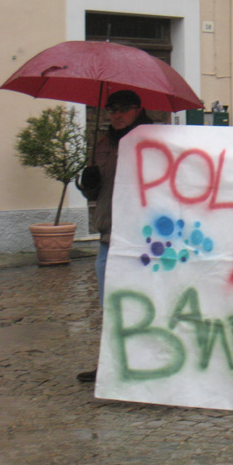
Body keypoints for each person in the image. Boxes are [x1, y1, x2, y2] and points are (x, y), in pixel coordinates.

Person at [75, 90, 153, 383]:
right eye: (111, 110)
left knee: (145, 302)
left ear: (138, 109)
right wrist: (89, 184)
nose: (116, 115)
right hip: (109, 237)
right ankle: (111, 365)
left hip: (143, 239)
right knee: (111, 305)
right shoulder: (104, 144)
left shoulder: (153, 141)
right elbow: (97, 193)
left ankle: (149, 363)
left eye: (123, 109)